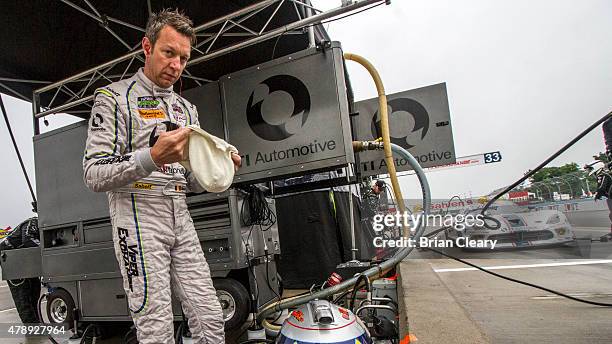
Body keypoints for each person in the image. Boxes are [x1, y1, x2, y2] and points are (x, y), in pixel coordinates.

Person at [82, 9, 240, 344]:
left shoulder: (186, 110)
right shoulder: (113, 99)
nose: (176, 65)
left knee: (211, 319)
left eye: (183, 58)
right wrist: (151, 157)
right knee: (156, 328)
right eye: (169, 53)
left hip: (179, 213)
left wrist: (218, 166)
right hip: (137, 214)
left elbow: (194, 182)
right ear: (147, 47)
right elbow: (93, 173)